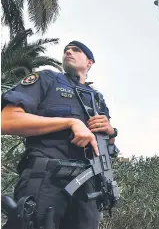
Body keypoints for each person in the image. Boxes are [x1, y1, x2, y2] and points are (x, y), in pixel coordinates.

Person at [1, 41, 118, 229]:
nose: (68, 52)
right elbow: (7, 121)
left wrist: (111, 132)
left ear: (90, 62)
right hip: (46, 178)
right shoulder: (46, 79)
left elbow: (107, 144)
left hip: (89, 187)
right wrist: (70, 122)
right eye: (66, 50)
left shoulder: (97, 99)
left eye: (76, 50)